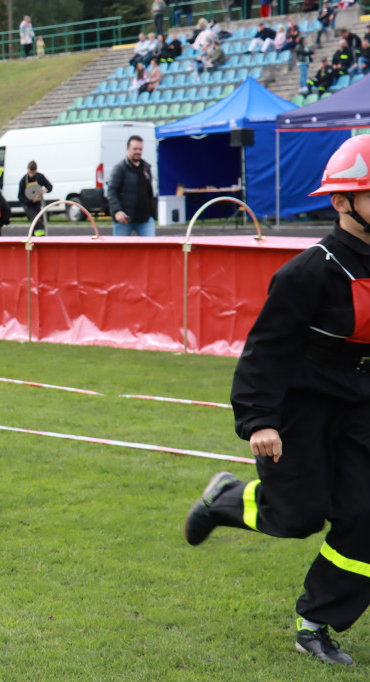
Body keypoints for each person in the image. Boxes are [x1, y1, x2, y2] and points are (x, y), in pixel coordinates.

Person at [183, 135, 370, 667]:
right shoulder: (307, 271)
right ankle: (226, 499)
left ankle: (317, 623)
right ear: (342, 202)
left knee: (367, 514)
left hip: (359, 406)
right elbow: (266, 350)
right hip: (299, 409)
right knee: (297, 516)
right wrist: (260, 420)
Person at [107, 135, 156, 237]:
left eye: (140, 149)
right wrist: (117, 211)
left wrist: (153, 213)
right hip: (124, 219)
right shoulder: (119, 168)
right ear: (127, 149)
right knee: (120, 251)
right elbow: (112, 191)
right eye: (135, 149)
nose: (138, 152)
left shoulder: (146, 168)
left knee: (151, 250)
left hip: (145, 219)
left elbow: (149, 192)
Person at [18, 161, 53, 237]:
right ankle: (40, 238)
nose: (31, 175)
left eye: (33, 173)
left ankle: (33, 238)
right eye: (30, 172)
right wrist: (31, 201)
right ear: (28, 169)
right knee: (37, 221)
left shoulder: (40, 177)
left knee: (38, 222)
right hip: (28, 205)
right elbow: (20, 197)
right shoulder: (23, 180)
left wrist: (45, 190)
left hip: (37, 204)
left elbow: (50, 186)